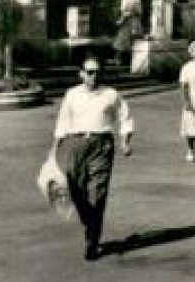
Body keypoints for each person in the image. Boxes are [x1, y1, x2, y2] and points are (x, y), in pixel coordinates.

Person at [51, 56, 133, 261]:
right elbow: (62, 122)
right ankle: (89, 220)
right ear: (81, 74)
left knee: (98, 193)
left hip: (101, 144)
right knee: (75, 187)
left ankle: (92, 241)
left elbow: (125, 116)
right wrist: (54, 152)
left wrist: (125, 141)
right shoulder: (71, 95)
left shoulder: (110, 94)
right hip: (75, 143)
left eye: (97, 72)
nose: (93, 76)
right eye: (89, 72)